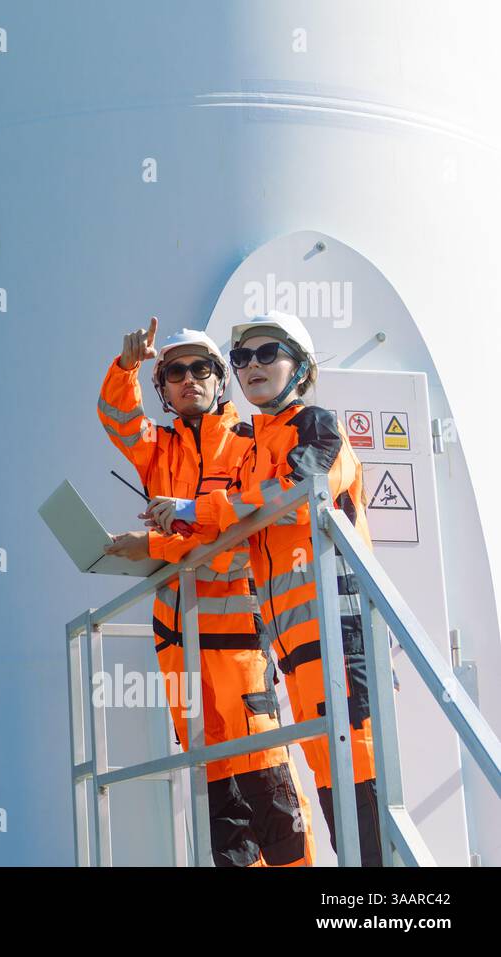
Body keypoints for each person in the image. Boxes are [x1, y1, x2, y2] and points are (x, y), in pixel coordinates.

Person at [147, 310, 383, 866]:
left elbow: (295, 490)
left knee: (362, 783)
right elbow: (233, 520)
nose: (252, 365)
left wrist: (193, 508)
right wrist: (165, 534)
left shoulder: (315, 426)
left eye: (267, 353)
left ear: (300, 368)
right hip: (295, 647)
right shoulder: (256, 449)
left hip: (340, 635)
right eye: (242, 357)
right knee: (333, 787)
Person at [98, 317, 315, 867]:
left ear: (222, 380)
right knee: (219, 802)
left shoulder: (251, 445)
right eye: (174, 372)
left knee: (269, 788)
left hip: (239, 639)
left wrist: (158, 544)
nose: (188, 379)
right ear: (164, 387)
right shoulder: (158, 448)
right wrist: (126, 367)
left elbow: (241, 540)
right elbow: (118, 418)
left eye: (202, 369)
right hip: (179, 644)